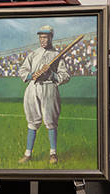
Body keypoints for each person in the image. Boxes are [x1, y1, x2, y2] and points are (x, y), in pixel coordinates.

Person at [17, 25, 70, 165]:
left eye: (45, 37)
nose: (43, 40)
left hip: (49, 88)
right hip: (33, 87)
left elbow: (65, 76)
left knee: (51, 121)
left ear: (51, 37)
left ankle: (53, 153)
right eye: (41, 37)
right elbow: (22, 70)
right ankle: (27, 154)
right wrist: (31, 74)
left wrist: (51, 74)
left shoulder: (57, 55)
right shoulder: (33, 54)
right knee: (32, 121)